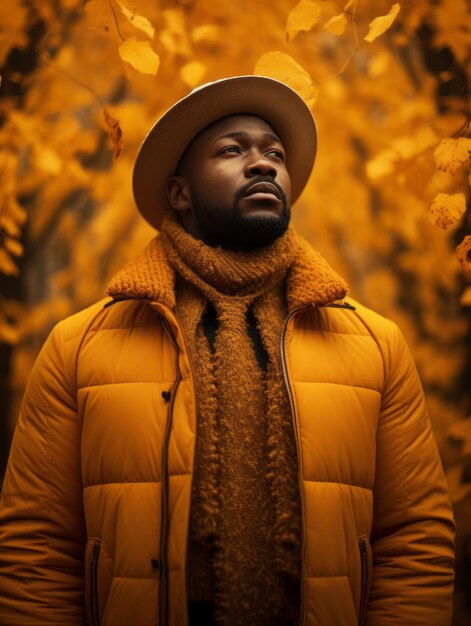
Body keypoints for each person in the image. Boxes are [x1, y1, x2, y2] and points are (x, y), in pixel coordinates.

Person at [0, 75, 455, 626]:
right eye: (232, 150)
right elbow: (37, 548)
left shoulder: (376, 346)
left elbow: (414, 538)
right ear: (180, 193)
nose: (263, 164)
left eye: (275, 154)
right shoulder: (78, 348)